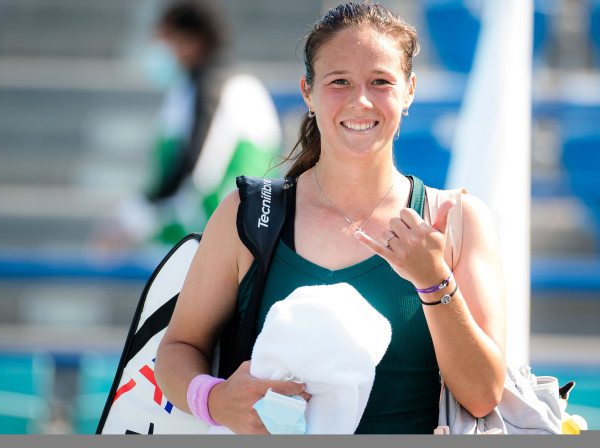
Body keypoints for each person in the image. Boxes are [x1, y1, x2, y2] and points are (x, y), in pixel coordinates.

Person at [154, 1, 506, 434]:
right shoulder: (247, 214)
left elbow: (483, 394)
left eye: (381, 81)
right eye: (339, 81)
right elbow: (177, 349)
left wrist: (434, 282)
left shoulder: (457, 220)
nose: (360, 100)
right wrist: (214, 400)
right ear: (309, 92)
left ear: (409, 91)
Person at [97, 0, 281, 248]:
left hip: (215, 245)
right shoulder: (187, 90)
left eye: (166, 41)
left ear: (192, 42)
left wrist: (132, 221)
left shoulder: (229, 89)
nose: (159, 50)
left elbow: (197, 172)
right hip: (194, 241)